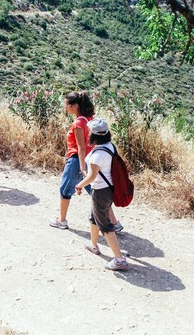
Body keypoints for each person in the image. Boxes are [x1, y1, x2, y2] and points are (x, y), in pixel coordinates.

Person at [48, 92, 123, 231]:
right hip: (91, 161)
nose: (65, 108)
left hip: (77, 161)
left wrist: (82, 169)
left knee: (65, 190)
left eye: (67, 105)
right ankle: (114, 223)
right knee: (95, 191)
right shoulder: (90, 120)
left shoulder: (78, 123)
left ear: (75, 106)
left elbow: (80, 148)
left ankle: (62, 220)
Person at [75, 118, 128, 271]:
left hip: (100, 191)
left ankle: (119, 259)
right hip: (110, 188)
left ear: (93, 135)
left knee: (105, 225)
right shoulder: (110, 147)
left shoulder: (96, 155)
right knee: (94, 217)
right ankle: (93, 245)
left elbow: (91, 176)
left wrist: (80, 185)